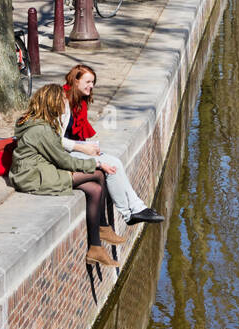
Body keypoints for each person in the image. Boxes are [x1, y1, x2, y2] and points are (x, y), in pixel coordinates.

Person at [8, 84, 121, 267]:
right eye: (62, 100)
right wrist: (97, 163)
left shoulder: (36, 121)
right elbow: (64, 161)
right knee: (99, 174)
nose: (65, 103)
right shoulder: (41, 130)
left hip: (38, 169)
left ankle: (96, 245)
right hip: (34, 176)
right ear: (52, 103)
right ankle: (101, 231)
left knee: (94, 189)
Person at [62, 65, 164, 226]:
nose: (91, 86)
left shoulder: (79, 101)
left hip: (75, 148)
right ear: (75, 81)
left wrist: (88, 146)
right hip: (62, 153)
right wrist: (83, 148)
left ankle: (137, 208)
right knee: (112, 164)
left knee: (115, 161)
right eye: (88, 82)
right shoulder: (63, 103)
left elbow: (75, 134)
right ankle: (129, 213)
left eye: (93, 82)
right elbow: (56, 140)